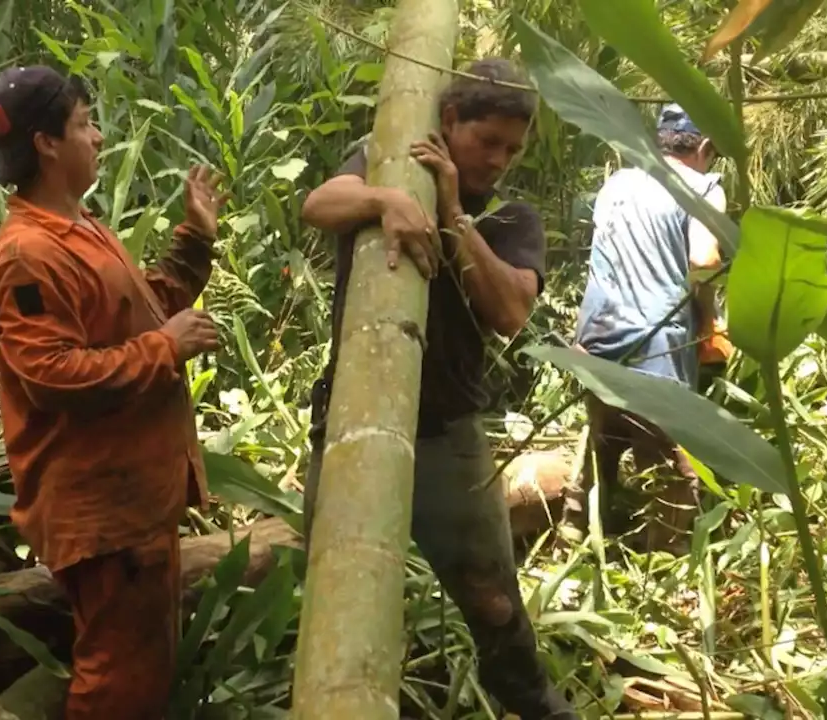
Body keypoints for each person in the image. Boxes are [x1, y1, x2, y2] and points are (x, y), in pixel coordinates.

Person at [300, 58, 578, 720]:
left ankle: (532, 699)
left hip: (446, 437)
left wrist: (450, 209)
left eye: (512, 148)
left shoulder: (511, 216)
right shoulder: (385, 161)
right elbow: (318, 204)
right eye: (488, 141)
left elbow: (510, 311)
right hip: (349, 421)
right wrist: (388, 198)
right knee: (339, 588)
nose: (500, 159)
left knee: (492, 598)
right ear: (450, 119)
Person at [0, 65, 227, 719]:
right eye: (85, 124)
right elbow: (54, 376)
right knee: (119, 683)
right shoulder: (26, 256)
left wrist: (194, 240)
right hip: (104, 513)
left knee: (137, 669)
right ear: (47, 144)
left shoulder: (76, 229)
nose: (99, 136)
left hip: (132, 501)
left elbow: (140, 313)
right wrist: (165, 348)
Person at [564, 103, 728, 552]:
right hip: (656, 344)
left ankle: (572, 537)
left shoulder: (617, 184)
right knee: (671, 466)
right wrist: (710, 320)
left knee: (602, 444)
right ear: (706, 147)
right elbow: (703, 260)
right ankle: (667, 566)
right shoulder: (702, 187)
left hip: (596, 338)